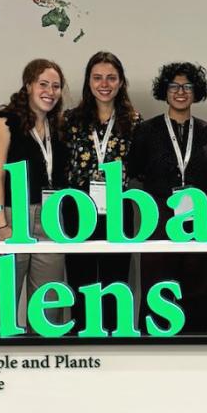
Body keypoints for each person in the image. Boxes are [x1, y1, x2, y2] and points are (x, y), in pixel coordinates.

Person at [127, 62, 207, 333]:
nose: (181, 91)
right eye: (174, 86)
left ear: (196, 91)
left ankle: (195, 352)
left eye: (187, 86)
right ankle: (153, 355)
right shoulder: (146, 131)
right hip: (159, 221)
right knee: (158, 289)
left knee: (198, 290)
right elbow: (134, 172)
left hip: (198, 221)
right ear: (164, 91)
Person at [60, 51, 142, 333]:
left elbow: (142, 166)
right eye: (97, 78)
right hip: (78, 209)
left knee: (115, 280)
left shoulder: (133, 121)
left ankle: (113, 340)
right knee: (80, 279)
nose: (104, 84)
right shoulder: (70, 120)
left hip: (117, 209)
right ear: (88, 82)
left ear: (121, 83)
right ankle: (81, 336)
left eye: (111, 78)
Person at [0, 58, 68, 329]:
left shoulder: (59, 126)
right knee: (4, 299)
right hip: (14, 216)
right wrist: (1, 223)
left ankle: (44, 361)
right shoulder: (6, 121)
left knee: (48, 303)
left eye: (56, 86)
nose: (50, 91)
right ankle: (0, 360)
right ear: (28, 86)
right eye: (43, 84)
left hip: (50, 218)